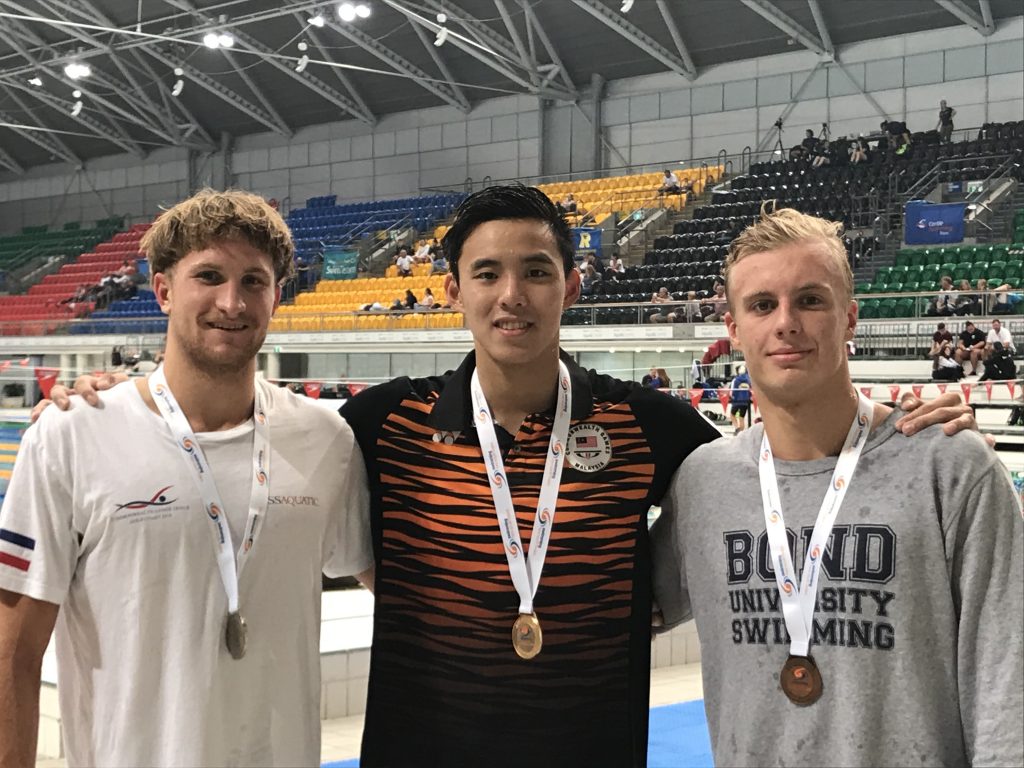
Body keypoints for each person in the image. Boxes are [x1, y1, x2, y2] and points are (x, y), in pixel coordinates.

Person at [40, 187, 978, 768]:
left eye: (536, 270)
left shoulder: (647, 425)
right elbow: (243, 432)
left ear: (572, 285)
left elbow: (783, 461)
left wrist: (896, 421)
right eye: (486, 273)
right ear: (453, 290)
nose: (512, 295)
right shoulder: (378, 424)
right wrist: (121, 396)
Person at [0, 189, 373, 767]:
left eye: (254, 281)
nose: (232, 301)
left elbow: (411, 600)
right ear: (163, 290)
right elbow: (13, 655)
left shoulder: (326, 439)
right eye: (209, 276)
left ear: (276, 295)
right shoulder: (72, 435)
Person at [651, 206, 1022, 767]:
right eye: (761, 305)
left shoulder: (950, 467)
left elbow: (1006, 688)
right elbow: (609, 607)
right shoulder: (703, 482)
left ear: (849, 319)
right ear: (733, 330)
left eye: (810, 300)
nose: (786, 322)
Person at [730, 365, 752, 431]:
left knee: (732, 415)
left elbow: (733, 391)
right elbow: (751, 390)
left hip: (737, 401)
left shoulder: (736, 380)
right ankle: (741, 432)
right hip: (746, 401)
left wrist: (732, 397)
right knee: (741, 417)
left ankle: (737, 428)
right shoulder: (749, 380)